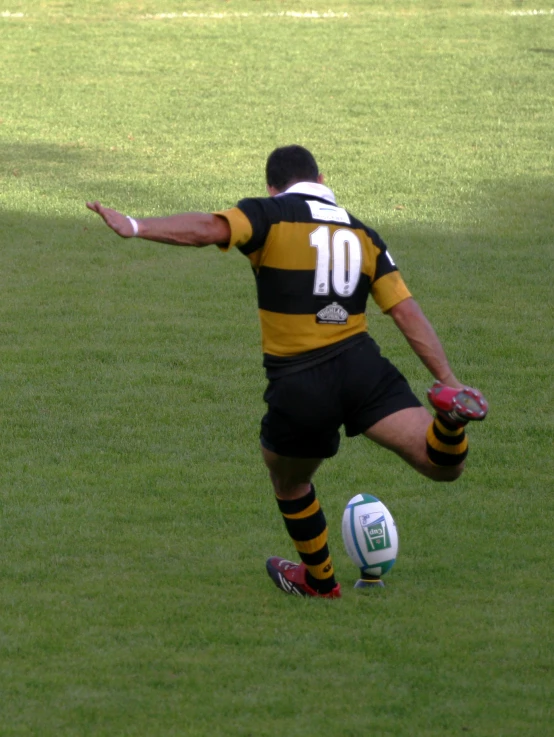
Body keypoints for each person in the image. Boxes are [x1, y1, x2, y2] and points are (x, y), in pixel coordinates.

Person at [86, 144, 488, 600]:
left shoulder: (270, 213)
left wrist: (135, 226)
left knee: (290, 480)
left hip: (300, 381)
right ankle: (451, 420)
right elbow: (405, 310)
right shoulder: (363, 233)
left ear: (273, 186)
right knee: (441, 466)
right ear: (320, 181)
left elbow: (207, 228)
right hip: (362, 367)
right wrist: (449, 381)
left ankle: (319, 580)